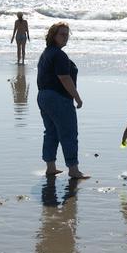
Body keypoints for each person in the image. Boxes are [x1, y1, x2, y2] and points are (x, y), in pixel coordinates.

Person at [36, 22, 89, 179]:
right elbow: (64, 78)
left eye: (67, 34)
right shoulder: (59, 55)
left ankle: (50, 167)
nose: (65, 37)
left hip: (43, 96)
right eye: (62, 34)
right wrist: (77, 97)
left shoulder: (47, 53)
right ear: (53, 35)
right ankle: (73, 169)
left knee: (51, 132)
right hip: (57, 97)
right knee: (69, 133)